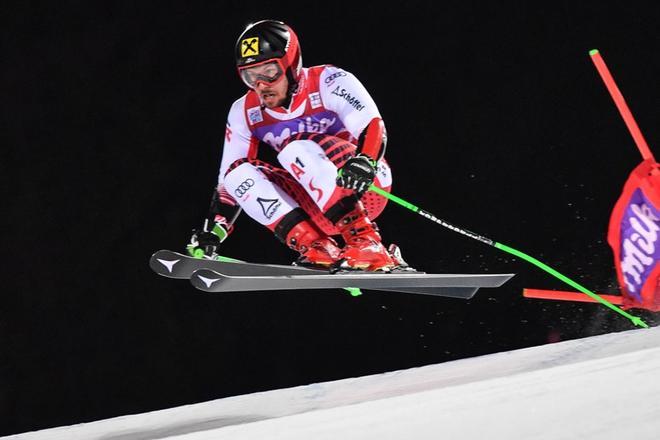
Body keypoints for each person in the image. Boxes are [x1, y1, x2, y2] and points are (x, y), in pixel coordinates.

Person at [188, 19, 402, 271]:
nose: (261, 85)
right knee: (237, 175)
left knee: (295, 149)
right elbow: (227, 183)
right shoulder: (244, 111)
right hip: (316, 204)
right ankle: (318, 249)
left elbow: (372, 125)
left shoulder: (329, 81)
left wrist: (365, 160)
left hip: (362, 184)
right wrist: (214, 232)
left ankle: (367, 241)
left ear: (291, 64)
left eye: (269, 72)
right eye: (250, 77)